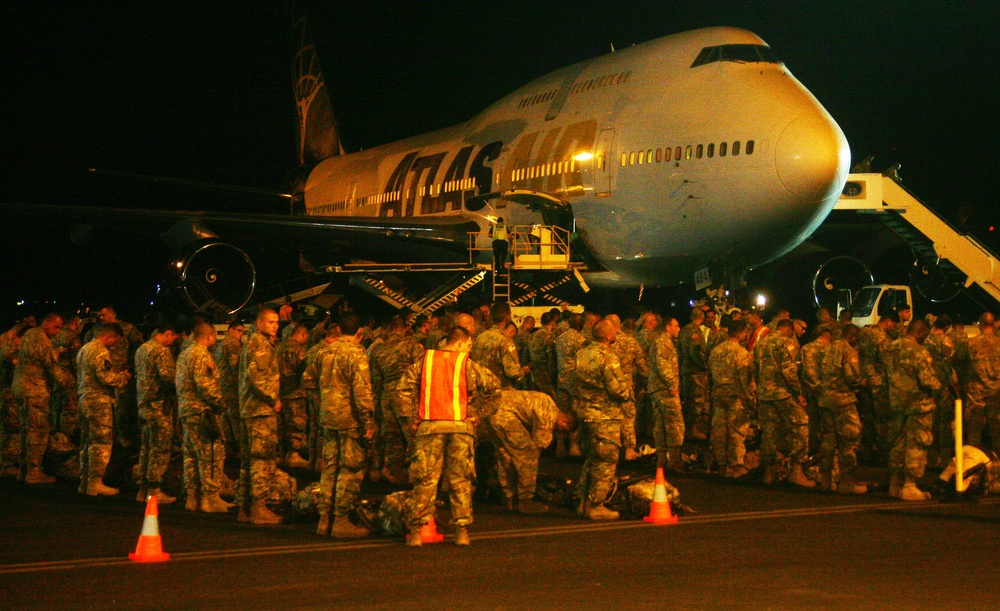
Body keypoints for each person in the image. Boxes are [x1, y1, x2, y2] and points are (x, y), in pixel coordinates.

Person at [397, 326, 501, 546]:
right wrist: (478, 415)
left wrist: (411, 420)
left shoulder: (425, 362)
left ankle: (416, 531)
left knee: (425, 479)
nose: (470, 350)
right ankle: (462, 530)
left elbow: (403, 390)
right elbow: (494, 389)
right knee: (460, 479)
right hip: (460, 427)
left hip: (429, 427)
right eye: (470, 345)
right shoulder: (469, 366)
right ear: (462, 343)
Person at [301, 314, 375, 538]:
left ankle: (324, 519)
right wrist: (368, 422)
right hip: (349, 420)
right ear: (359, 332)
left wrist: (324, 400)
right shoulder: (356, 353)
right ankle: (341, 519)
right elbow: (362, 392)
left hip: (328, 417)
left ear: (339, 329)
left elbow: (308, 379)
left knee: (330, 467)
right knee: (350, 469)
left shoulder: (324, 350)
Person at [573, 320, 633, 521]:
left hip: (585, 414)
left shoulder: (582, 353)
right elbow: (617, 390)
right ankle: (596, 504)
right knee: (606, 461)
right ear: (608, 336)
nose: (616, 333)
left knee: (591, 458)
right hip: (605, 416)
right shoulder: (608, 357)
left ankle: (583, 500)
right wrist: (627, 392)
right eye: (614, 331)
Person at [13, 313, 75, 483]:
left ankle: (24, 469)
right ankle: (34, 472)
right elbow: (53, 369)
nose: (58, 331)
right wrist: (71, 390)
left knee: (26, 429)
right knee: (38, 430)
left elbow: (36, 356)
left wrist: (54, 352)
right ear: (46, 323)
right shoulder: (43, 340)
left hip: (21, 387)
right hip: (35, 390)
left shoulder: (30, 334)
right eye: (56, 326)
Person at [175, 323, 230, 512]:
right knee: (211, 454)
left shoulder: (184, 354)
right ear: (209, 337)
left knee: (191, 454)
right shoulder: (201, 355)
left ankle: (192, 497)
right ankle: (211, 498)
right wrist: (220, 403)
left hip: (186, 410)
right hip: (202, 411)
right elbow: (205, 384)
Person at [488, 389, 570, 514]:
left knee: (506, 455)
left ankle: (510, 498)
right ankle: (525, 500)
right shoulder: (550, 416)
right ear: (565, 422)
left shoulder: (548, 402)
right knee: (528, 455)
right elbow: (538, 445)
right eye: (564, 430)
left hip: (493, 410)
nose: (561, 433)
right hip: (506, 416)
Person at [885, 320, 940, 500]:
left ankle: (894, 484)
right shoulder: (919, 351)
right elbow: (928, 380)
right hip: (918, 405)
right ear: (920, 333)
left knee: (897, 443)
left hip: (896, 403)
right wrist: (939, 382)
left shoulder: (891, 347)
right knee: (916, 444)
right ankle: (909, 485)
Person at [754, 319, 813, 487]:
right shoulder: (786, 343)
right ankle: (796, 470)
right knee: (801, 425)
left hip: (765, 394)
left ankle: (767, 472)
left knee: (769, 432)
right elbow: (789, 372)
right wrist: (799, 394)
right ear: (788, 329)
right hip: (783, 393)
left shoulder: (761, 343)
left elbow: (755, 368)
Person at [238, 308, 283, 524]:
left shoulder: (255, 343)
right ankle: (259, 507)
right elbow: (258, 378)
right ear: (259, 323)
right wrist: (273, 398)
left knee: (249, 460)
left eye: (276, 322)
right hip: (260, 409)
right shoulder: (261, 345)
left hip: (251, 409)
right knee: (261, 459)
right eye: (270, 322)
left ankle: (245, 507)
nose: (275, 325)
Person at [368, 316, 425, 483]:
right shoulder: (413, 346)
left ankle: (398, 475)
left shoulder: (379, 350)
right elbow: (422, 374)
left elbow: (376, 382)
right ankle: (419, 476)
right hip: (407, 395)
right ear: (405, 328)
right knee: (414, 436)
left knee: (393, 438)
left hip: (387, 396)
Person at [76, 323, 131, 495]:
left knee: (87, 442)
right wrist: (122, 377)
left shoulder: (84, 349)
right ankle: (95, 482)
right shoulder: (100, 351)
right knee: (101, 442)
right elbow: (105, 377)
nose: (115, 344)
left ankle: (85, 481)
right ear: (109, 336)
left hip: (84, 399)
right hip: (98, 401)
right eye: (115, 340)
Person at [84, 305, 144, 448]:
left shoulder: (127, 328)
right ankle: (108, 437)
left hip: (120, 374)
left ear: (113, 314)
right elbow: (87, 342)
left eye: (104, 314)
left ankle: (124, 437)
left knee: (121, 408)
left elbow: (139, 344)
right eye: (99, 315)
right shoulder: (96, 330)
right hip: (102, 375)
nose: (101, 318)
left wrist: (131, 364)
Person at [817, 324, 867, 494]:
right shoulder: (847, 350)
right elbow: (851, 376)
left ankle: (825, 479)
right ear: (852, 337)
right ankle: (846, 481)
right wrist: (862, 382)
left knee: (828, 440)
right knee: (849, 440)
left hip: (825, 399)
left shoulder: (826, 348)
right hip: (843, 400)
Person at [135, 324, 180, 504]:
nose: (172, 343)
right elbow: (168, 377)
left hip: (143, 404)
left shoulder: (142, 349)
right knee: (160, 448)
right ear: (168, 333)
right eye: (173, 338)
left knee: (146, 447)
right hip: (158, 405)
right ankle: (154, 490)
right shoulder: (161, 351)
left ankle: (143, 488)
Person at [707, 321, 754, 477]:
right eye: (745, 333)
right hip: (735, 396)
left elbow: (710, 376)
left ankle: (721, 464)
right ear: (739, 333)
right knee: (736, 431)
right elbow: (744, 378)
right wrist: (750, 399)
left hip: (718, 394)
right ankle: (736, 464)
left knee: (719, 430)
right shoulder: (740, 352)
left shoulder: (715, 351)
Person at [606, 314, 648, 461]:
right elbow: (642, 367)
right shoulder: (631, 341)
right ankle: (629, 450)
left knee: (609, 418)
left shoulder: (604, 342)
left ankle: (610, 450)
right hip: (626, 386)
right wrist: (644, 383)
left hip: (607, 387)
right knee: (628, 418)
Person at [857, 311, 898, 462]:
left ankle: (866, 449)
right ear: (887, 321)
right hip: (878, 383)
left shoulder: (865, 332)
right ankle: (881, 452)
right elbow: (888, 361)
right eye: (893, 324)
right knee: (881, 418)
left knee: (867, 417)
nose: (893, 328)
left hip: (864, 380)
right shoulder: (882, 338)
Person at [648, 317, 683, 472]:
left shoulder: (661, 342)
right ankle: (675, 461)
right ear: (668, 327)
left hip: (658, 389)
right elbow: (663, 367)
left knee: (661, 425)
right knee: (675, 425)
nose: (679, 329)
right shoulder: (664, 343)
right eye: (676, 326)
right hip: (665, 390)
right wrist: (672, 384)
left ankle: (662, 461)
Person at [962, 313, 1000, 451]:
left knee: (974, 432)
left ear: (981, 324)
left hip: (976, 394)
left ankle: (974, 463)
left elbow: (961, 365)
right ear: (993, 323)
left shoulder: (971, 343)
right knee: (997, 431)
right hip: (996, 393)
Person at [277, 324, 311, 469]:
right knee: (297, 425)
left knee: (283, 425)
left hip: (280, 393)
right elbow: (305, 372)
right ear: (303, 335)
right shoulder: (299, 350)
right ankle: (294, 455)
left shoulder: (278, 348)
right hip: (295, 394)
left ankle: (282, 455)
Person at [554, 313, 587, 457]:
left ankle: (560, 446)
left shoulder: (560, 338)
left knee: (561, 414)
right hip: (575, 384)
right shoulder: (580, 340)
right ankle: (574, 446)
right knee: (574, 415)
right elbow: (583, 363)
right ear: (582, 325)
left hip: (561, 382)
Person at [678, 308, 709, 441]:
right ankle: (692, 430)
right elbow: (695, 351)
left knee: (688, 398)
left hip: (685, 369)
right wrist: (703, 365)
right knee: (696, 401)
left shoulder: (684, 330)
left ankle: (688, 428)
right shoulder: (695, 331)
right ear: (702, 317)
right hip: (695, 371)